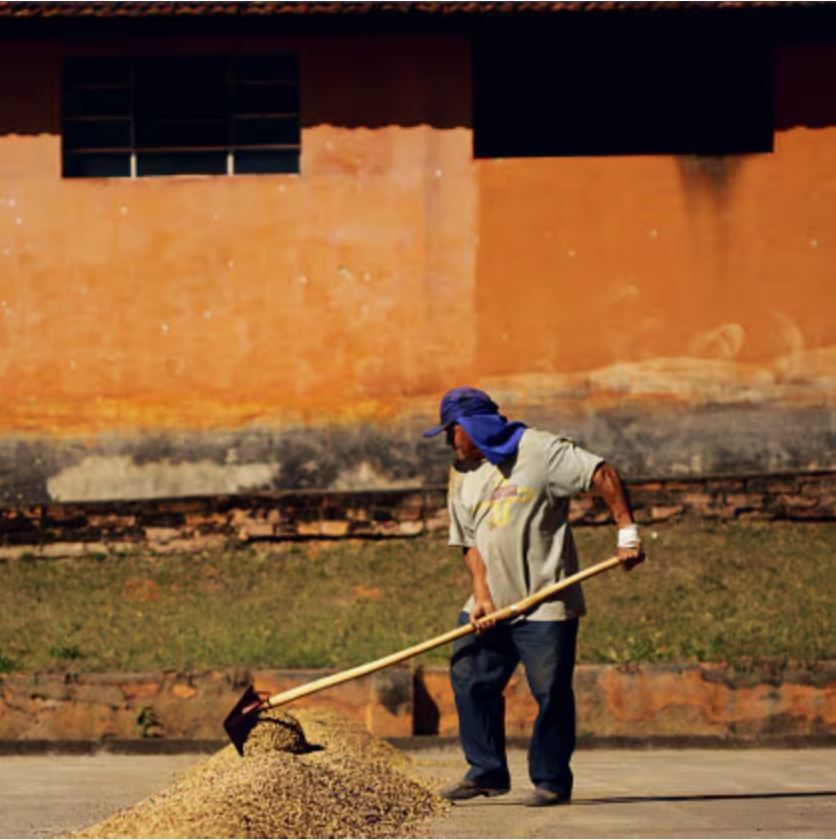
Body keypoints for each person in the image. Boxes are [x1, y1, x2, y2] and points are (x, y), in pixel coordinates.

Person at [424, 386, 645, 807]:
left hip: (546, 602)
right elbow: (468, 543)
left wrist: (628, 534)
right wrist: (482, 596)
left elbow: (602, 475)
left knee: (550, 693)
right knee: (469, 676)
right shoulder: (461, 473)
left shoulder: (540, 451)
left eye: (452, 431)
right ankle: (486, 771)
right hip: (491, 604)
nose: (449, 441)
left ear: (471, 425)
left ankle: (551, 781)